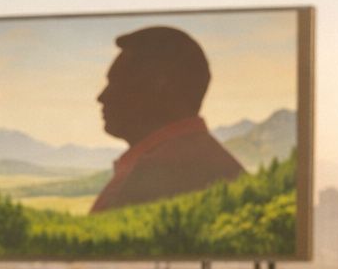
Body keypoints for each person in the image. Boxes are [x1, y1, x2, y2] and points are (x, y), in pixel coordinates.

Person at [89, 26, 245, 214]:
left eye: (116, 82)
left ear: (159, 86)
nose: (102, 96)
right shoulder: (220, 164)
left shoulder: (147, 181)